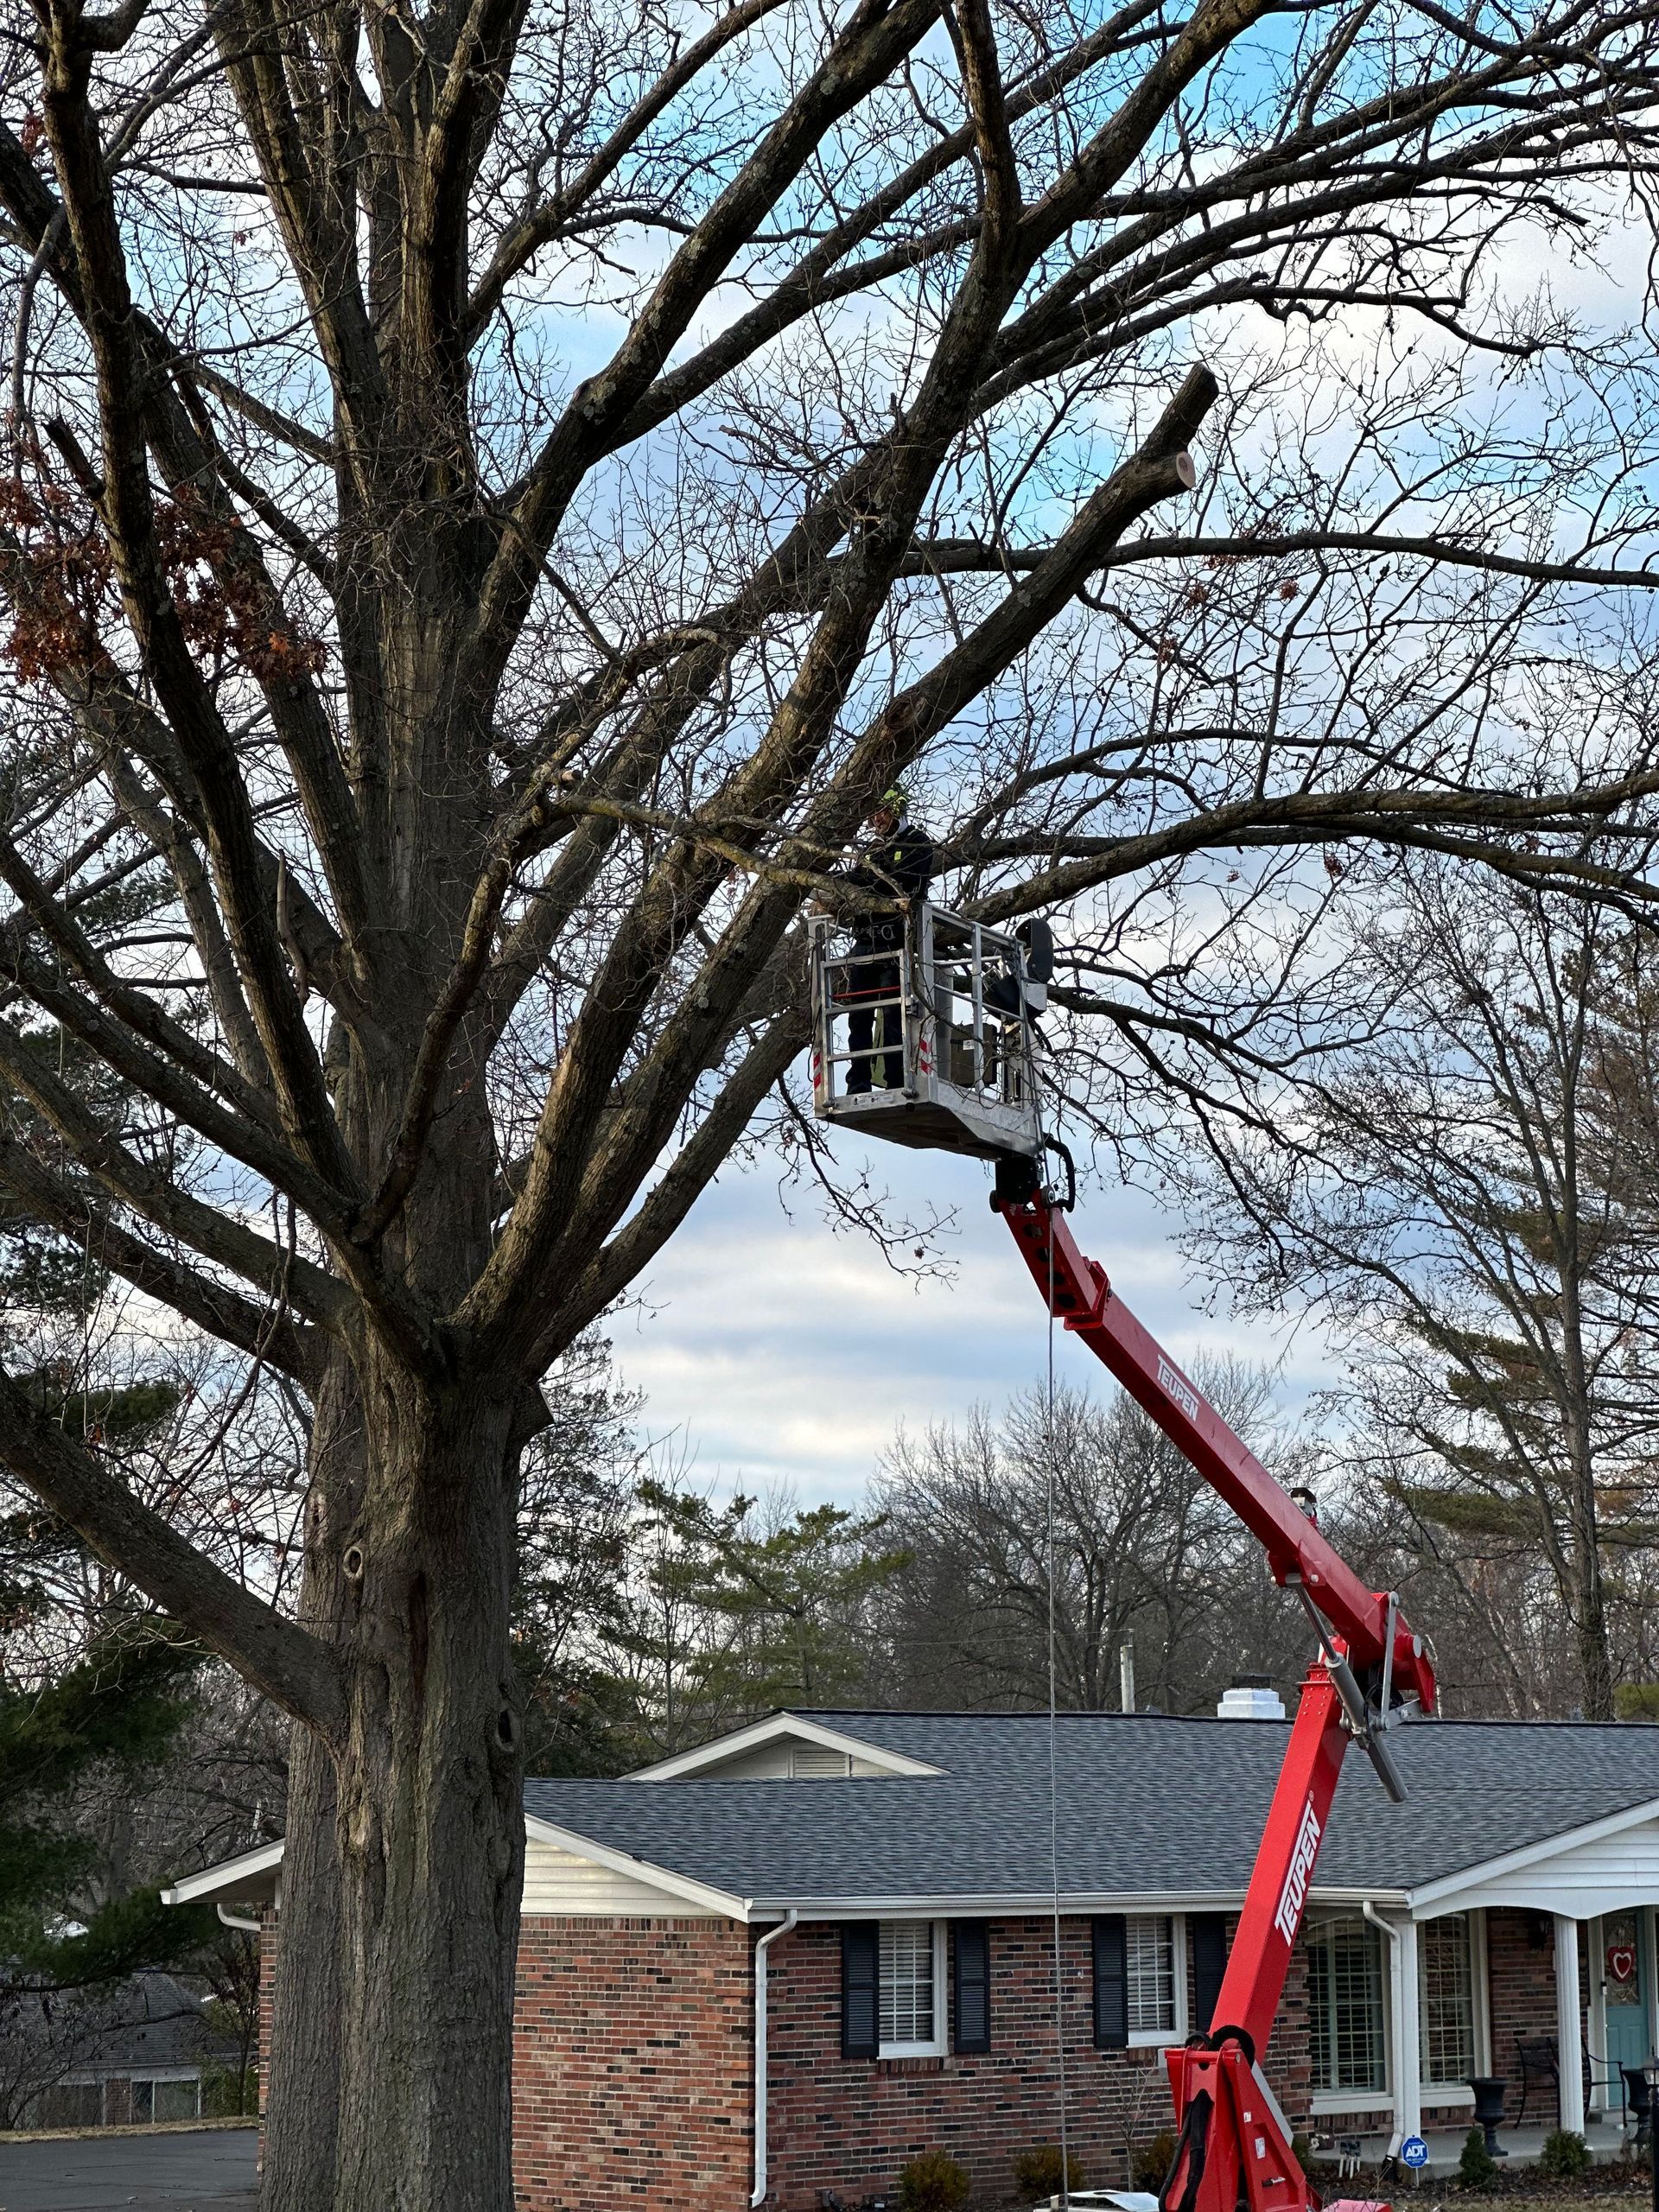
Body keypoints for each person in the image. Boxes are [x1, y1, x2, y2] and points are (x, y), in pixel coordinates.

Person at [836, 786, 936, 1093]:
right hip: (865, 941)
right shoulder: (870, 852)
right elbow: (854, 883)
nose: (874, 820)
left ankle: (896, 1080)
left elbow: (906, 884)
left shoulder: (917, 842)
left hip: (895, 945)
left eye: (880, 811)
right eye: (871, 814)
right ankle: (859, 1081)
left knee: (895, 1015)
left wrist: (871, 882)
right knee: (858, 1017)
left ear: (896, 810)